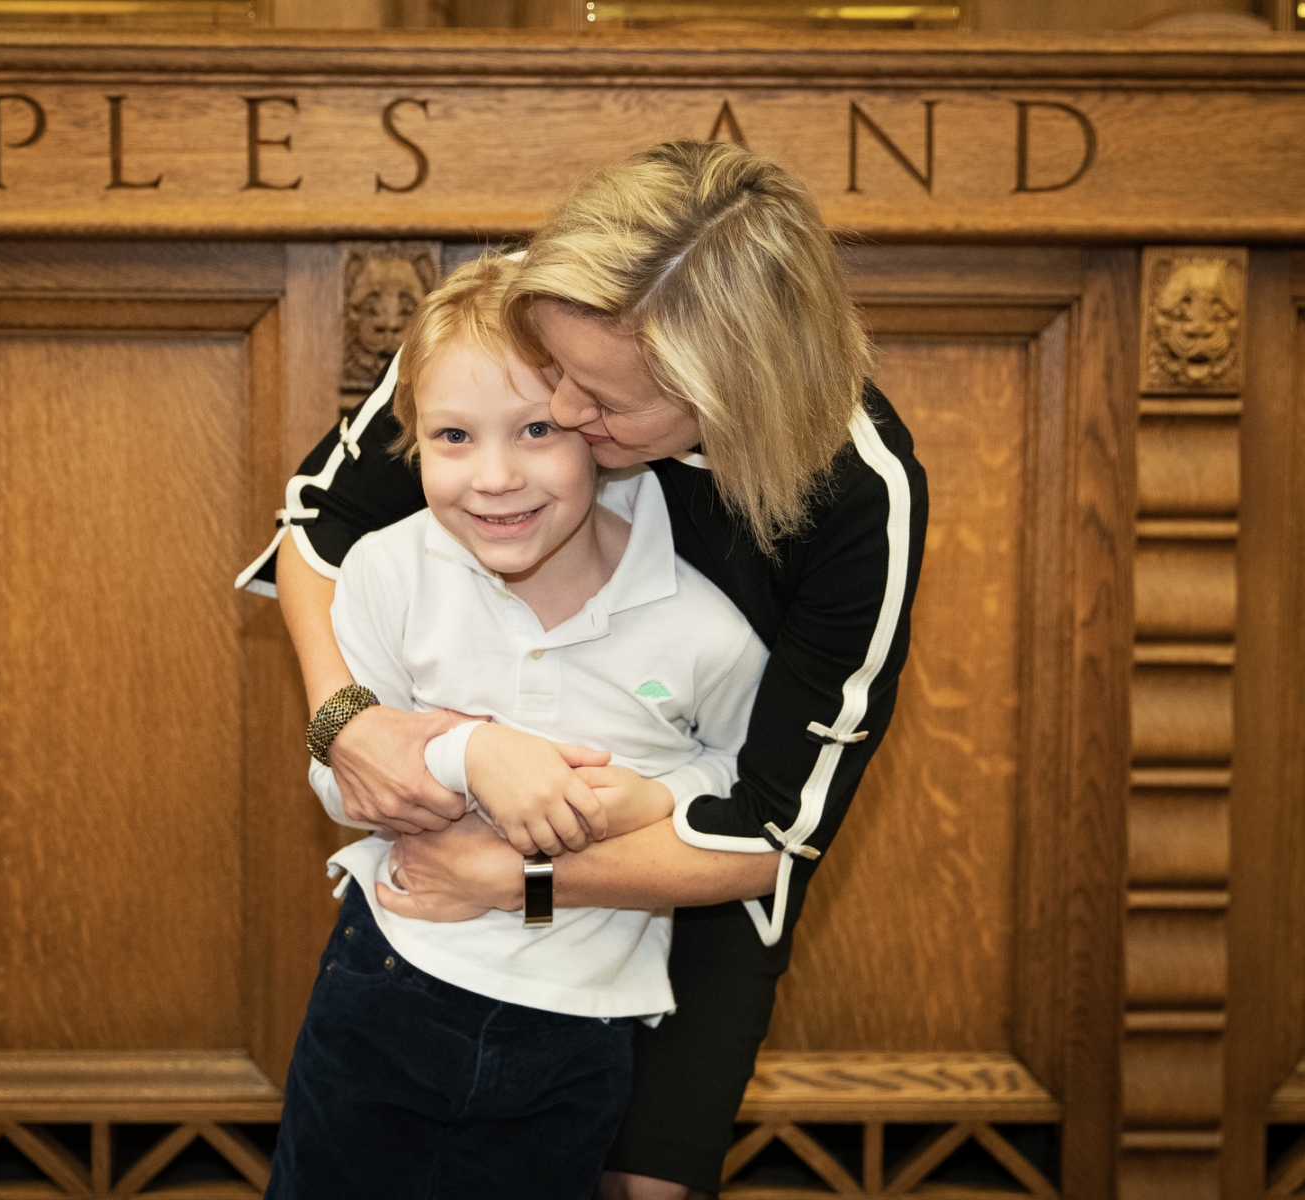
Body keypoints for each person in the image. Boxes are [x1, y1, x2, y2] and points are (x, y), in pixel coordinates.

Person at [237, 140, 929, 1200]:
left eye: (598, 401)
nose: (557, 407)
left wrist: (516, 879)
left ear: (722, 396)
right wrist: (351, 720)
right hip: (443, 907)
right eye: (550, 367)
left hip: (688, 875)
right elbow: (319, 528)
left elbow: (772, 832)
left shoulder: (858, 494)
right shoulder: (523, 309)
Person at [263, 254, 771, 1199]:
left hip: (582, 1021)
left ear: (600, 433)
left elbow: (746, 788)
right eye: (453, 436)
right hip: (388, 982)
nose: (494, 477)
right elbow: (339, 783)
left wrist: (652, 797)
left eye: (536, 430)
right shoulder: (385, 572)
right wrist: (472, 752)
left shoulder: (702, 623)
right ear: (414, 441)